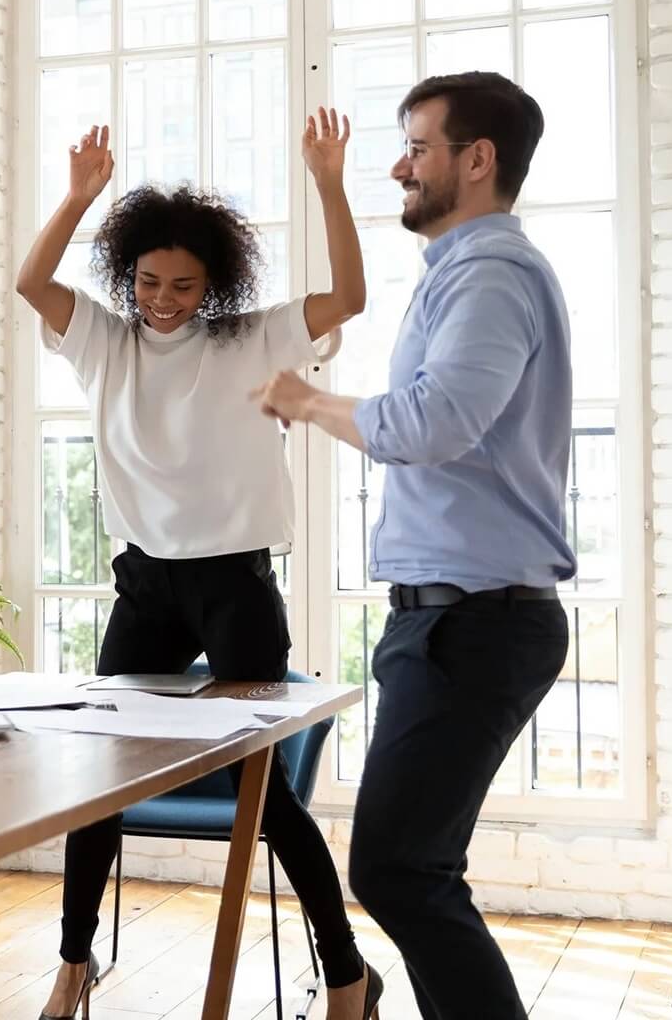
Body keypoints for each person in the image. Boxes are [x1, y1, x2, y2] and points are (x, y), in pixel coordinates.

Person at [16, 110, 382, 1020]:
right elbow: (29, 281)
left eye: (183, 284)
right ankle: (72, 964)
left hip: (234, 585)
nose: (164, 299)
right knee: (99, 777)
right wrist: (76, 198)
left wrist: (330, 183)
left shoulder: (249, 337)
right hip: (145, 585)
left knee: (267, 793)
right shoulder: (105, 342)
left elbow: (350, 297)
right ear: (126, 275)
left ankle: (345, 974)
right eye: (147, 280)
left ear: (212, 283)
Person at [251, 71, 574, 1020]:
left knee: (398, 868)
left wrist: (307, 400)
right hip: (453, 621)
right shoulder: (467, 274)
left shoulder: (492, 275)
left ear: (478, 161)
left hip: (473, 625)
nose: (399, 165)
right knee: (409, 867)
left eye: (417, 148)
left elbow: (436, 421)